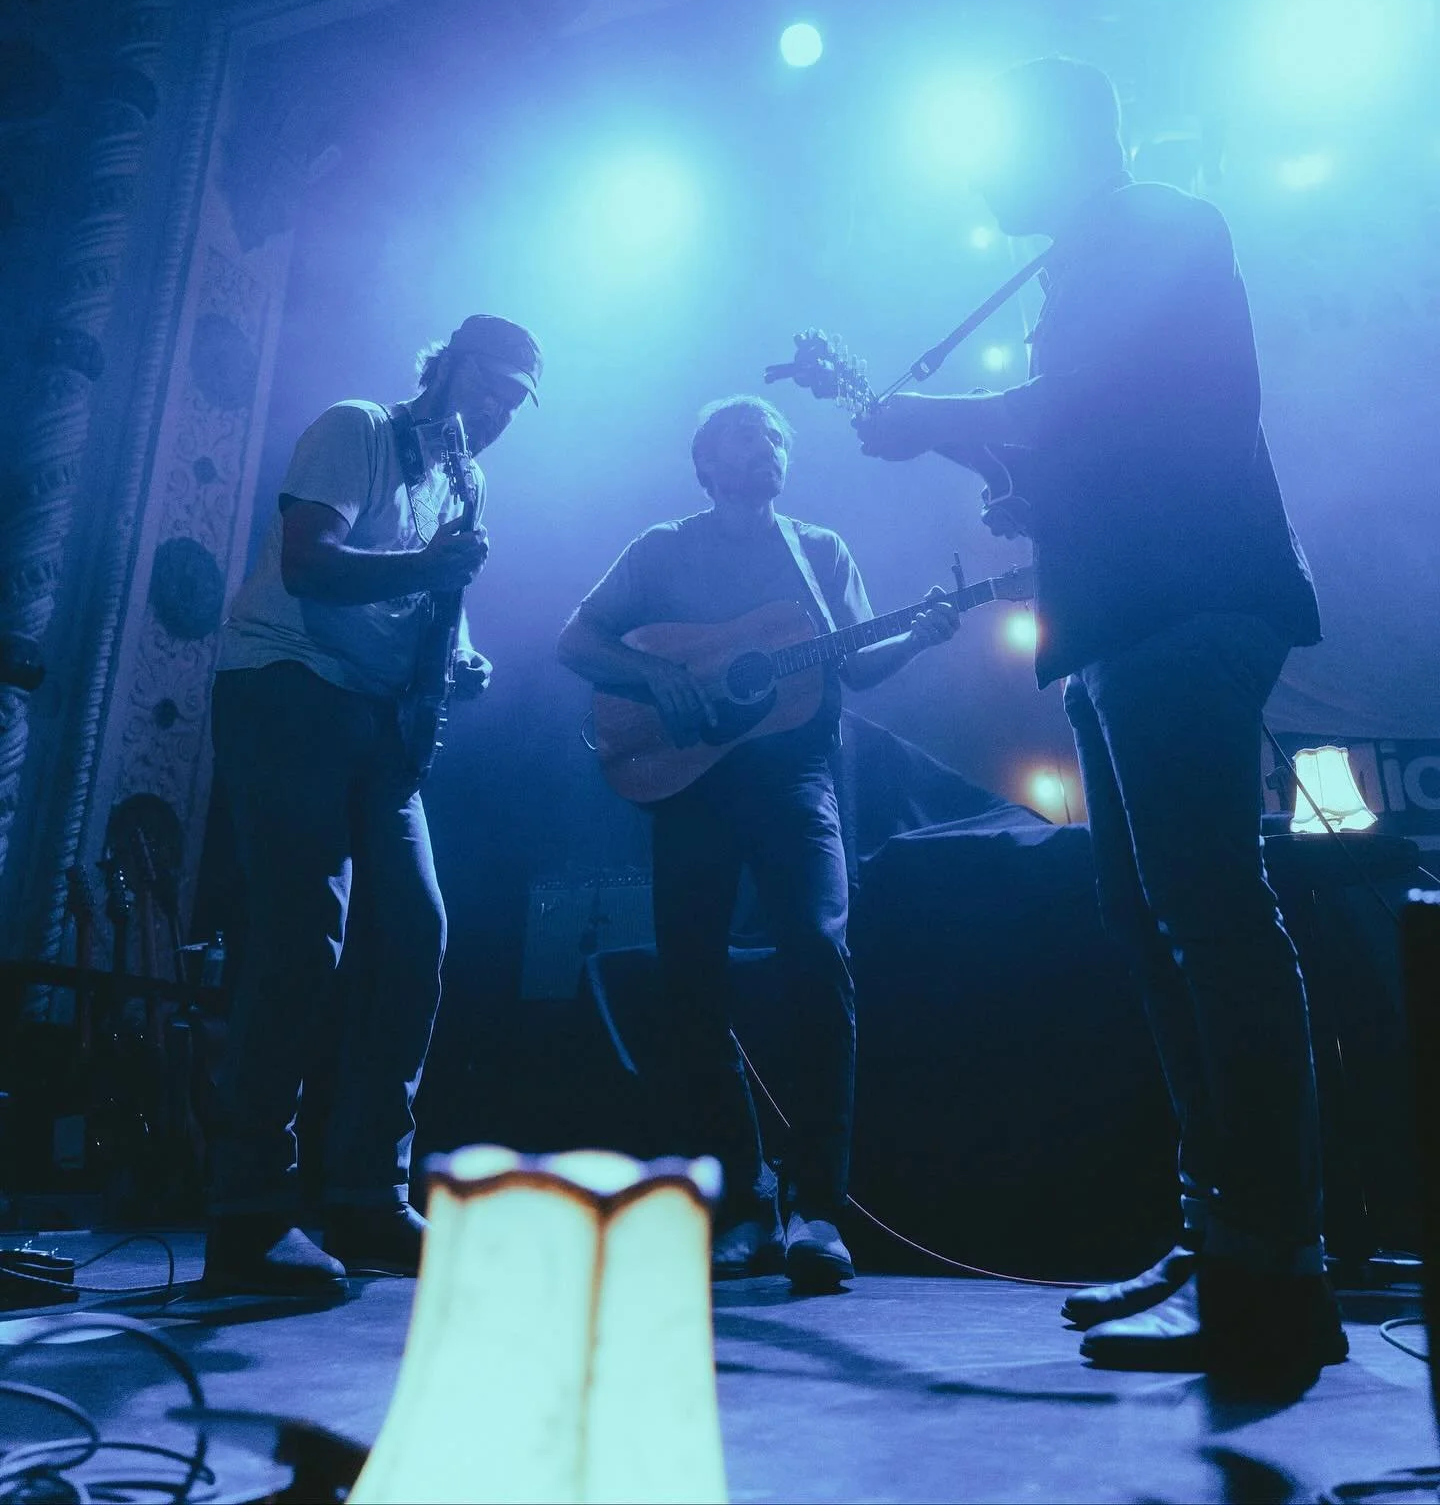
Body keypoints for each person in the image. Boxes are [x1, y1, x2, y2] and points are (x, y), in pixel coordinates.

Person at [858, 56, 1344, 1396]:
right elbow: (1107, 439)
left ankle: (1273, 1271)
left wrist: (929, 420)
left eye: (992, 152)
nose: (978, 182)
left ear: (1057, 138)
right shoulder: (1087, 262)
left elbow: (1078, 407)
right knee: (1157, 923)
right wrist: (1028, 491)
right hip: (1130, 613)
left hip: (1179, 605)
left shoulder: (1150, 224)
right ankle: (1222, 1243)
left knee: (1209, 923)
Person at [557, 396, 959, 1290]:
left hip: (795, 778)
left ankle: (818, 1209)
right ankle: (744, 1200)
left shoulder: (821, 552)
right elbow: (575, 640)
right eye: (747, 435)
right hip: (691, 784)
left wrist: (916, 635)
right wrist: (656, 673)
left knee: (819, 951)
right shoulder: (662, 548)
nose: (767, 446)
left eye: (776, 436)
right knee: (690, 984)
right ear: (705, 463)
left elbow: (858, 665)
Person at [204, 313, 542, 1294]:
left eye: (516, 402)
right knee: (304, 936)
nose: (498, 412)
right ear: (446, 368)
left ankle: (366, 1197)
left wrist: (461, 655)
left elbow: (432, 602)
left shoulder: (464, 486)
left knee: (413, 936)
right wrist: (430, 570)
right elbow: (309, 564)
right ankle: (248, 1215)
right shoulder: (358, 428)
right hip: (288, 686)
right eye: (489, 386)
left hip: (379, 724)